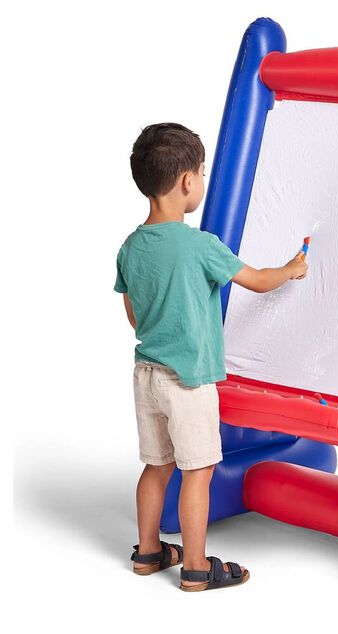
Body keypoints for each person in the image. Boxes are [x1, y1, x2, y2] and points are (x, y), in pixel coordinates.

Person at [114, 122, 308, 591]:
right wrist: (291, 269)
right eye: (202, 172)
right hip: (188, 381)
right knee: (197, 472)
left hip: (146, 375)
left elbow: (134, 316)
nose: (202, 179)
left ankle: (148, 552)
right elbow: (258, 281)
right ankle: (197, 567)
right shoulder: (200, 246)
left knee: (156, 466)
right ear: (187, 181)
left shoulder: (130, 247)